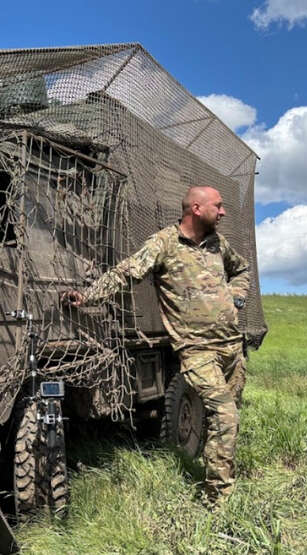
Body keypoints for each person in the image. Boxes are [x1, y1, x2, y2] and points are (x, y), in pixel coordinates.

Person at [61, 185, 249, 508]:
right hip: (197, 350)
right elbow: (126, 272)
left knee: (224, 418)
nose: (223, 212)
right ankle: (218, 501)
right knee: (226, 414)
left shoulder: (219, 244)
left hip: (231, 347)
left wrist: (237, 297)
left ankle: (216, 467)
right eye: (218, 206)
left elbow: (241, 269)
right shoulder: (164, 244)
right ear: (195, 209)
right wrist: (88, 295)